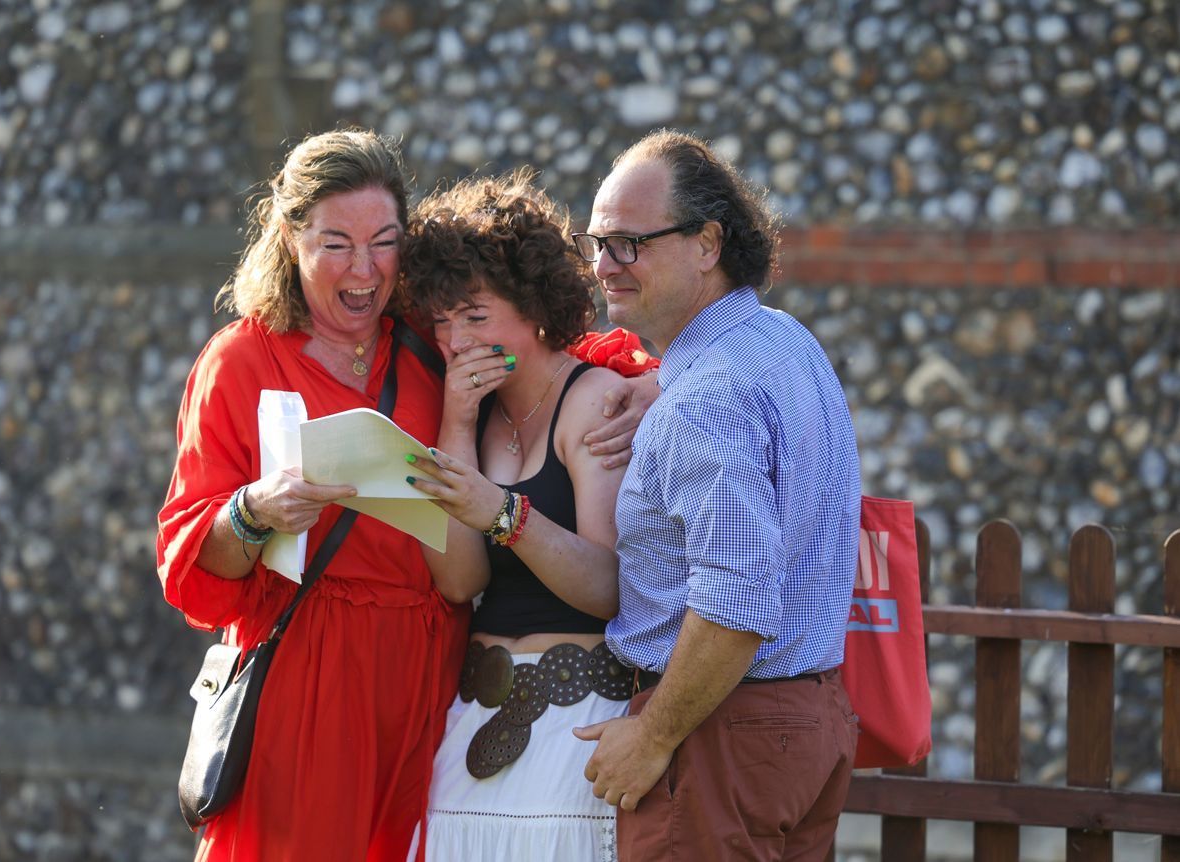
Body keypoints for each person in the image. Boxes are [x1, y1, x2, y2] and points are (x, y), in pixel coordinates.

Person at [155, 129, 658, 862]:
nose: (363, 269)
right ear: (289, 237)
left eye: (383, 241)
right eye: (335, 243)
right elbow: (190, 556)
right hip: (313, 677)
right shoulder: (243, 358)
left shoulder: (424, 336)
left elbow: (537, 343)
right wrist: (254, 511)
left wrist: (647, 382)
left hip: (433, 680)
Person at [571, 129, 863, 862]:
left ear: (706, 243)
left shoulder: (705, 398)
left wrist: (654, 735)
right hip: (805, 722)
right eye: (596, 242)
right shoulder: (783, 339)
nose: (604, 265)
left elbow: (735, 602)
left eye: (629, 244)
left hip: (717, 737)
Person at [401, 170, 635, 861]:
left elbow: (609, 587)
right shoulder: (470, 415)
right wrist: (455, 421)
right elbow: (455, 581)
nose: (457, 342)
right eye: (441, 322)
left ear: (534, 307)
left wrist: (502, 512)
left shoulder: (592, 400)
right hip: (473, 716)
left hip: (578, 718)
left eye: (476, 316)